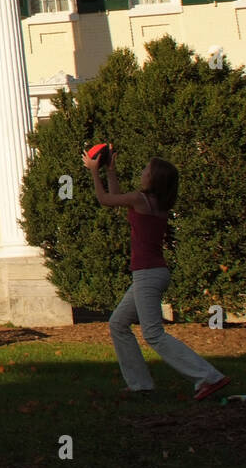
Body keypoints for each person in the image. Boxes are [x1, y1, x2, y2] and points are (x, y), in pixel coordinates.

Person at [83, 147, 230, 400]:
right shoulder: (154, 202)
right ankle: (140, 384)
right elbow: (116, 198)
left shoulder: (141, 199)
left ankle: (209, 377)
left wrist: (94, 172)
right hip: (152, 273)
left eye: (146, 170)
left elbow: (105, 200)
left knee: (153, 334)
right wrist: (110, 170)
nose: (142, 173)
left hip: (148, 274)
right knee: (118, 323)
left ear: (154, 179)